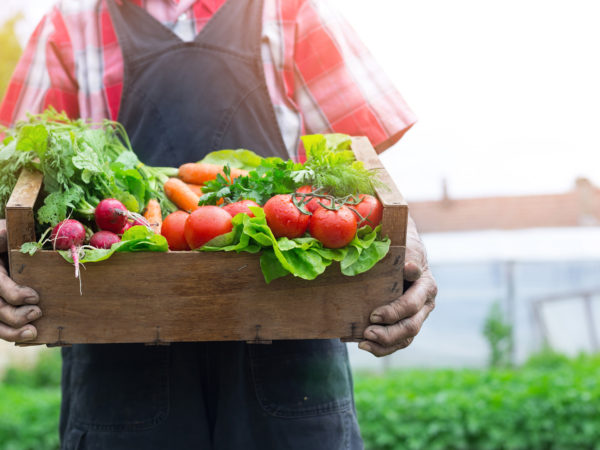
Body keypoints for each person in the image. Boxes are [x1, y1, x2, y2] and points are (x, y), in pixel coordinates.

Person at [0, 1, 438, 448]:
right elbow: (19, 181)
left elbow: (365, 178)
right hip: (121, 371)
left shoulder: (290, 11)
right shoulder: (69, 27)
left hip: (290, 348)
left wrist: (411, 255)